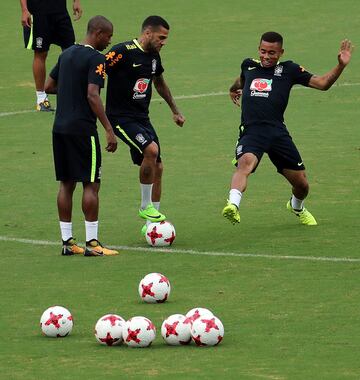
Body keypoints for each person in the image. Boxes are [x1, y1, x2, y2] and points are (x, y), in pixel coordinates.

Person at [222, 32, 353, 226]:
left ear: (281, 52)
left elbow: (323, 84)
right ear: (258, 49)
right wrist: (234, 88)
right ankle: (233, 205)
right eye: (263, 51)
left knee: (302, 185)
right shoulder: (248, 64)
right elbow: (243, 78)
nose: (266, 56)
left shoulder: (289, 70)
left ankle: (296, 206)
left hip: (277, 133)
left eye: (272, 53)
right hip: (252, 131)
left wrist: (340, 66)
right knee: (245, 163)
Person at [45, 15, 119, 256]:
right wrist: (108, 129)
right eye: (108, 36)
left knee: (66, 184)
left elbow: (48, 86)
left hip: (60, 129)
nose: (109, 42)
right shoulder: (96, 58)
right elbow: (92, 94)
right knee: (91, 183)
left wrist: (69, 91)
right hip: (82, 130)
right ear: (98, 33)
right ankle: (92, 243)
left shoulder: (66, 54)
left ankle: (67, 243)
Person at [105, 15, 185, 235]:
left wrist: (175, 110)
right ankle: (144, 207)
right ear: (148, 33)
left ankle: (152, 225)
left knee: (158, 166)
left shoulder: (154, 57)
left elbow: (159, 82)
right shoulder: (122, 51)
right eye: (161, 37)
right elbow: (99, 71)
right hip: (120, 118)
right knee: (151, 149)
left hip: (142, 118)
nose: (164, 42)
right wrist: (105, 126)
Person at [20, 0, 82, 111]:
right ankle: (41, 98)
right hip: (38, 12)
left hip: (60, 11)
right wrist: (25, 10)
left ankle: (66, 91)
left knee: (70, 51)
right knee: (41, 53)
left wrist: (76, 1)